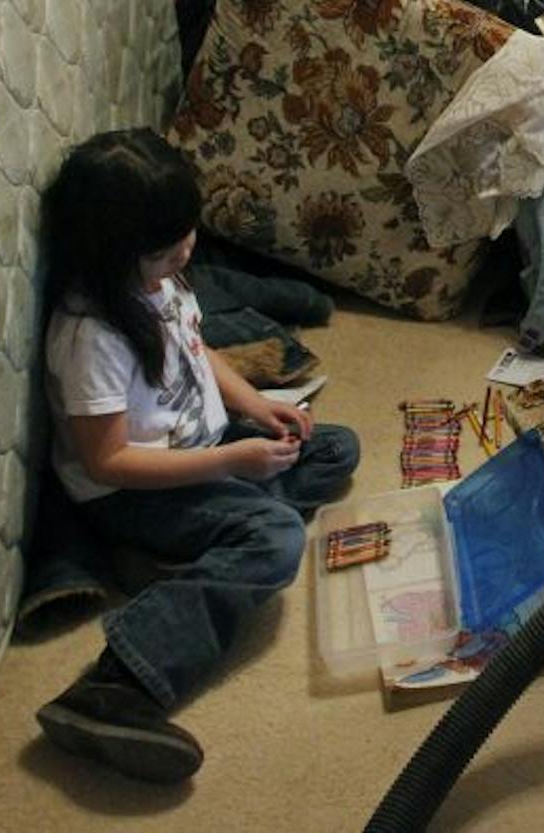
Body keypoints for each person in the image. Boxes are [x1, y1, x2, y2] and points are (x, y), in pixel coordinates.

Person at [33, 128, 360, 782]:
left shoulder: (161, 282)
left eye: (188, 232)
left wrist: (255, 405)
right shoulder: (89, 334)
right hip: (136, 490)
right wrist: (230, 466)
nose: (187, 249)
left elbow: (197, 348)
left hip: (203, 447)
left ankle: (197, 547)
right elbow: (108, 462)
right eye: (167, 244)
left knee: (332, 448)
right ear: (112, 251)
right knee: (276, 541)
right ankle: (116, 682)